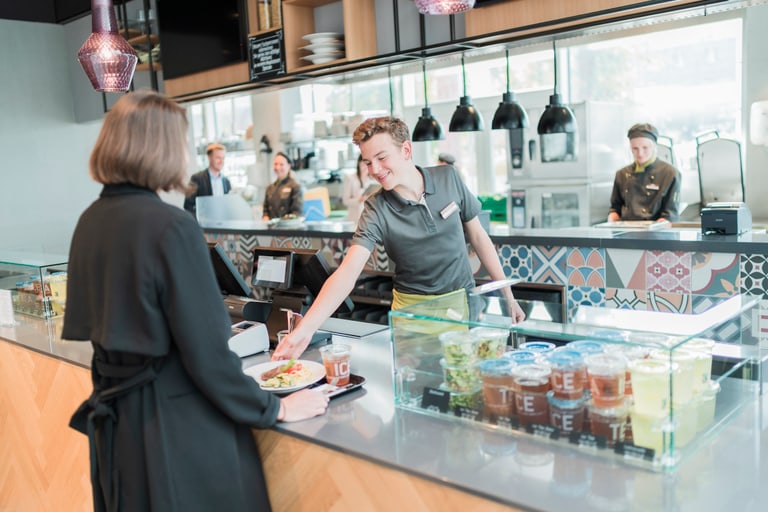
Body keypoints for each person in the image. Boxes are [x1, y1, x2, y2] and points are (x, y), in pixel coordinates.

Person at [62, 90, 328, 512]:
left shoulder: (90, 222)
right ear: (163, 148)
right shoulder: (172, 227)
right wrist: (273, 409)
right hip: (177, 430)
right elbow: (209, 358)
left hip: (122, 431)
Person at [273, 116, 525, 361]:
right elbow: (348, 272)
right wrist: (304, 330)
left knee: (465, 386)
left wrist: (508, 297)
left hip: (462, 307)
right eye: (368, 162)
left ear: (406, 150)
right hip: (412, 319)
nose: (375, 170)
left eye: (381, 158)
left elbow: (480, 238)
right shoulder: (376, 208)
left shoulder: (449, 177)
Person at [608, 123, 681, 222]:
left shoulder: (670, 173)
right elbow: (615, 209)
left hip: (656, 233)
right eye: (635, 149)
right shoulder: (621, 174)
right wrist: (611, 222)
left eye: (645, 148)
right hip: (626, 231)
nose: (640, 153)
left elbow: (669, 215)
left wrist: (653, 231)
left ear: (654, 146)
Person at [183, 142, 232, 215]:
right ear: (209, 158)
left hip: (223, 223)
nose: (221, 161)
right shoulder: (197, 178)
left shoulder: (226, 181)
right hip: (205, 224)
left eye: (223, 158)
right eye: (218, 158)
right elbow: (188, 206)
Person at [261, 151, 304, 220]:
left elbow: (297, 213)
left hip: (289, 228)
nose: (278, 167)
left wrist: (285, 221)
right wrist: (265, 217)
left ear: (289, 166)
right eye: (275, 164)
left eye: (281, 164)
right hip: (272, 229)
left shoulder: (295, 187)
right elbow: (265, 211)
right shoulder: (269, 188)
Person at [342, 154, 378, 222]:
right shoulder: (350, 178)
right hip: (354, 218)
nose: (365, 168)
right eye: (363, 165)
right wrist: (359, 200)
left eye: (367, 165)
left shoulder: (372, 180)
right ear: (358, 164)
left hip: (369, 219)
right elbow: (345, 201)